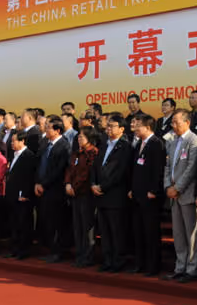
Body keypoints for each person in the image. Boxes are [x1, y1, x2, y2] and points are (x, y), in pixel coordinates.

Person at [164, 108, 197, 282]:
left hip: (187, 193)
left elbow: (192, 169)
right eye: (172, 122)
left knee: (191, 233)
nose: (173, 125)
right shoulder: (173, 141)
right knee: (178, 233)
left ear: (187, 122)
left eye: (176, 122)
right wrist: (167, 186)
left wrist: (177, 187)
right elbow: (167, 166)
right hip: (173, 195)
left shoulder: (195, 141)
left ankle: (192, 269)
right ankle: (180, 267)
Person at [92, 113, 132, 272]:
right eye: (107, 126)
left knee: (116, 230)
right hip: (100, 195)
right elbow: (95, 167)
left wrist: (103, 187)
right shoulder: (103, 144)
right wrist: (93, 184)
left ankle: (118, 260)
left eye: (112, 126)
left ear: (122, 128)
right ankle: (107, 259)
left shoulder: (125, 147)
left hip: (115, 195)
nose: (108, 128)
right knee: (105, 231)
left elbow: (120, 172)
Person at [130, 115, 165, 276]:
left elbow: (158, 170)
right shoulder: (139, 144)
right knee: (138, 232)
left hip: (150, 196)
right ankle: (140, 263)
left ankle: (153, 266)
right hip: (137, 195)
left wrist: (153, 190)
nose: (135, 128)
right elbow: (135, 169)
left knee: (151, 232)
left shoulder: (156, 144)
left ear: (148, 127)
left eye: (138, 126)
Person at [35, 117, 71, 263]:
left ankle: (58, 251)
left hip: (55, 190)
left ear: (57, 130)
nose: (46, 129)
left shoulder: (64, 146)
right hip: (43, 189)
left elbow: (59, 170)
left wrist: (44, 184)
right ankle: (51, 249)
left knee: (57, 222)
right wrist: (37, 182)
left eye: (49, 127)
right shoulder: (45, 144)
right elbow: (38, 164)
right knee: (47, 220)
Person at [67, 127, 97, 266]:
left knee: (86, 226)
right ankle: (79, 254)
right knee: (77, 225)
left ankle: (88, 256)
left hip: (85, 194)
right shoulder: (76, 153)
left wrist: (75, 186)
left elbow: (87, 174)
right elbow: (69, 170)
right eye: (78, 137)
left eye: (82, 137)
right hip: (74, 194)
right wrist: (68, 184)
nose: (79, 139)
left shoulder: (93, 153)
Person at [5, 130, 36, 260]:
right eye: (11, 141)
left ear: (22, 141)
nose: (12, 143)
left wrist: (25, 193)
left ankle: (24, 250)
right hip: (12, 195)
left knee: (23, 223)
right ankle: (15, 248)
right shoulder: (14, 155)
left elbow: (29, 177)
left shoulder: (29, 156)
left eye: (14, 141)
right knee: (14, 223)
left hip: (22, 196)